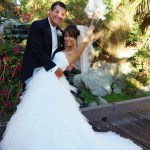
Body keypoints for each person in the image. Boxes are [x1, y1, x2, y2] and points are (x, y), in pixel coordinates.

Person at [0, 23, 141, 150]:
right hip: (42, 79)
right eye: (66, 36)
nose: (67, 39)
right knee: (35, 111)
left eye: (71, 37)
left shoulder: (75, 52)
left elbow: (85, 41)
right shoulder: (60, 49)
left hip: (54, 84)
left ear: (76, 38)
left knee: (54, 114)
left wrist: (92, 25)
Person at [20, 1, 69, 90]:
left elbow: (60, 51)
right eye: (57, 12)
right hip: (33, 73)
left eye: (62, 14)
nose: (59, 16)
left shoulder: (60, 32)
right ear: (50, 11)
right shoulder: (37, 25)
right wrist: (55, 68)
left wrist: (68, 63)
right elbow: (38, 51)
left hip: (48, 75)